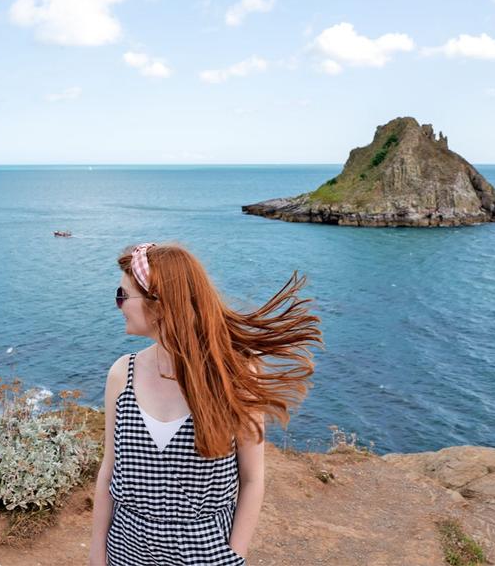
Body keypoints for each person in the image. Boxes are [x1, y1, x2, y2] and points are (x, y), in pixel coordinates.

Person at [88, 242, 322, 566]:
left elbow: (252, 479)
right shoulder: (121, 374)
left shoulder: (235, 376)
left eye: (122, 295)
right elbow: (108, 470)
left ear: (160, 304)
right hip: (126, 552)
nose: (119, 305)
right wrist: (96, 554)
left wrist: (233, 557)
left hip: (205, 555)